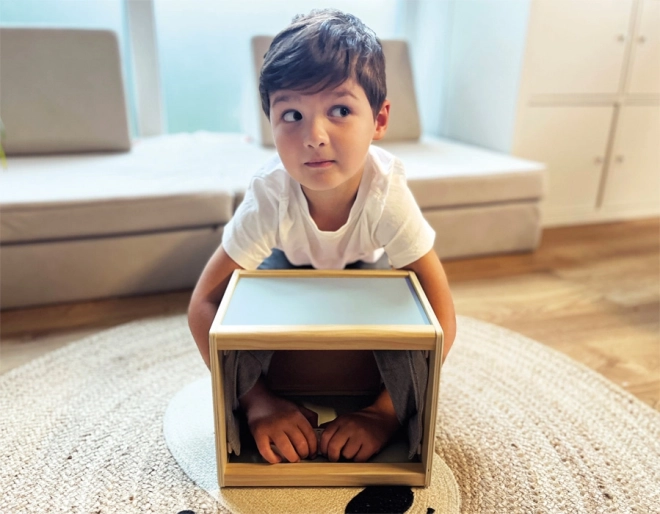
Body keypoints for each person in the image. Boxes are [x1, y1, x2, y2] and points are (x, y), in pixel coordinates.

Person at [188, 8, 456, 465]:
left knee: (409, 319)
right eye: (292, 114)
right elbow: (203, 304)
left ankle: (387, 411)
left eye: (340, 110)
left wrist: (384, 413)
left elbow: (441, 314)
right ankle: (265, 402)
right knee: (241, 314)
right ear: (270, 124)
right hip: (286, 263)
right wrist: (258, 402)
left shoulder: (385, 193)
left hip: (364, 267)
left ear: (379, 119)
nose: (314, 136)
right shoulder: (270, 193)